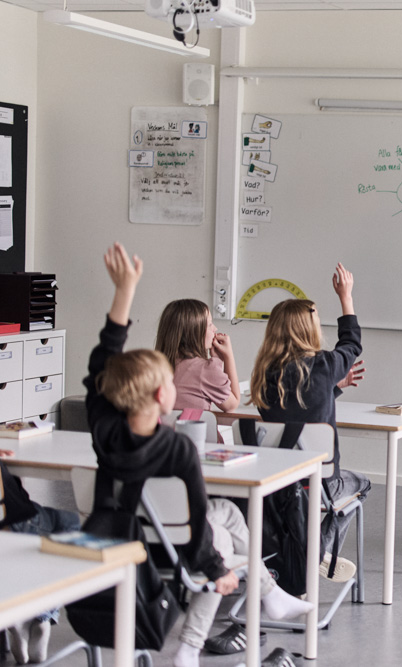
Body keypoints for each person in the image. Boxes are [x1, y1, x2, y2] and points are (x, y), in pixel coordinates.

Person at [86, 243, 314, 667]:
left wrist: (123, 294)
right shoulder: (179, 448)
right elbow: (196, 525)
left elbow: (101, 362)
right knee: (223, 540)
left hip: (119, 533)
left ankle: (267, 595)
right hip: (169, 546)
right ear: (160, 394)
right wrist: (218, 568)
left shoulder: (104, 428)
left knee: (226, 515)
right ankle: (199, 638)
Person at [249, 262, 370, 582]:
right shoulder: (325, 363)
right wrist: (346, 297)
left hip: (279, 484)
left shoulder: (264, 377)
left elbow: (295, 418)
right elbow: (352, 344)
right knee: (361, 484)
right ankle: (319, 552)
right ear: (309, 330)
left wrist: (332, 389)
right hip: (320, 483)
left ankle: (305, 551)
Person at [0, 453, 80, 664]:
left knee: (28, 548)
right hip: (16, 519)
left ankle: (18, 616)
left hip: (8, 527)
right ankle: (43, 614)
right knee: (76, 526)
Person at [155, 299, 242, 413]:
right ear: (193, 332)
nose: (214, 329)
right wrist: (227, 356)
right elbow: (231, 404)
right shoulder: (205, 370)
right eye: (210, 324)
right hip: (196, 431)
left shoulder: (153, 368)